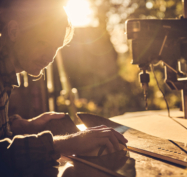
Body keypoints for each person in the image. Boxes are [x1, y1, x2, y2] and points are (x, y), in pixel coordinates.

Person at [0, 0, 127, 176]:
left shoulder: (5, 76)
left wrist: (21, 125)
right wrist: (65, 144)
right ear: (14, 31)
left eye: (56, 48)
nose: (50, 57)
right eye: (43, 42)